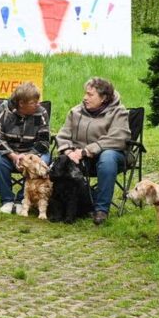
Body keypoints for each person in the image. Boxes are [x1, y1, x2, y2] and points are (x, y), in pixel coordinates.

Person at [56, 77, 130, 225]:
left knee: (107, 157)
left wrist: (87, 150)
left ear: (103, 98)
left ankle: (101, 210)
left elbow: (118, 138)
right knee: (62, 161)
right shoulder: (75, 111)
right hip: (79, 157)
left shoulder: (119, 112)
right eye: (85, 93)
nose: (85, 98)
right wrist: (70, 152)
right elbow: (62, 136)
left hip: (111, 157)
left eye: (90, 95)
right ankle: (77, 204)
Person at [0, 82, 51, 214]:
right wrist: (14, 156)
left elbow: (44, 141)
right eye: (34, 102)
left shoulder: (41, 113)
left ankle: (23, 199)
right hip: (8, 155)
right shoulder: (3, 110)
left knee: (45, 158)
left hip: (32, 156)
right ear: (21, 103)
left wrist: (28, 158)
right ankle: (8, 200)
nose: (38, 104)